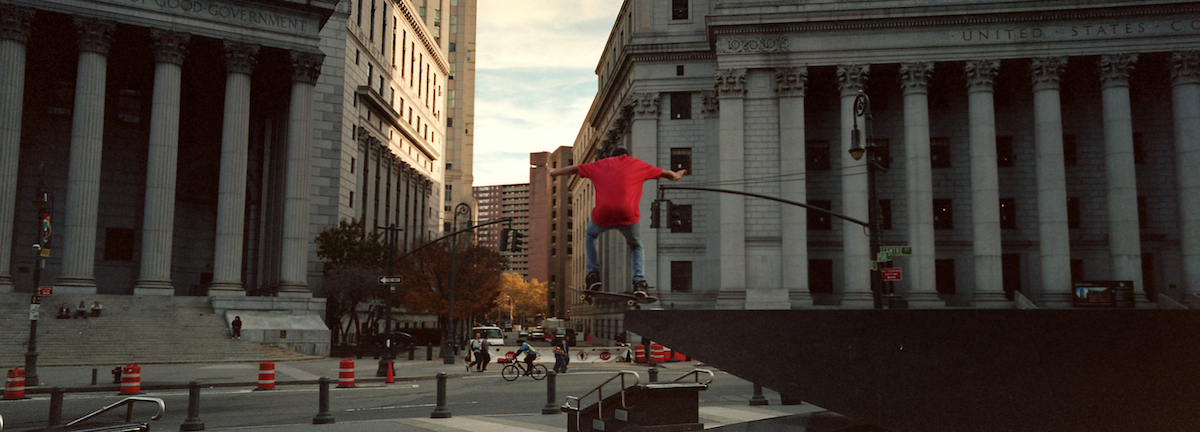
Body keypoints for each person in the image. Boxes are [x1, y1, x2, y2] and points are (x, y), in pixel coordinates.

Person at [549, 147, 686, 296]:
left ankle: (593, 274)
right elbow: (667, 174)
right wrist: (676, 175)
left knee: (590, 236)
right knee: (636, 246)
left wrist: (553, 172)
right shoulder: (637, 164)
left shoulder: (600, 164)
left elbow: (572, 169)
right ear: (626, 155)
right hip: (628, 214)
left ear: (611, 156)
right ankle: (639, 282)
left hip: (603, 214)